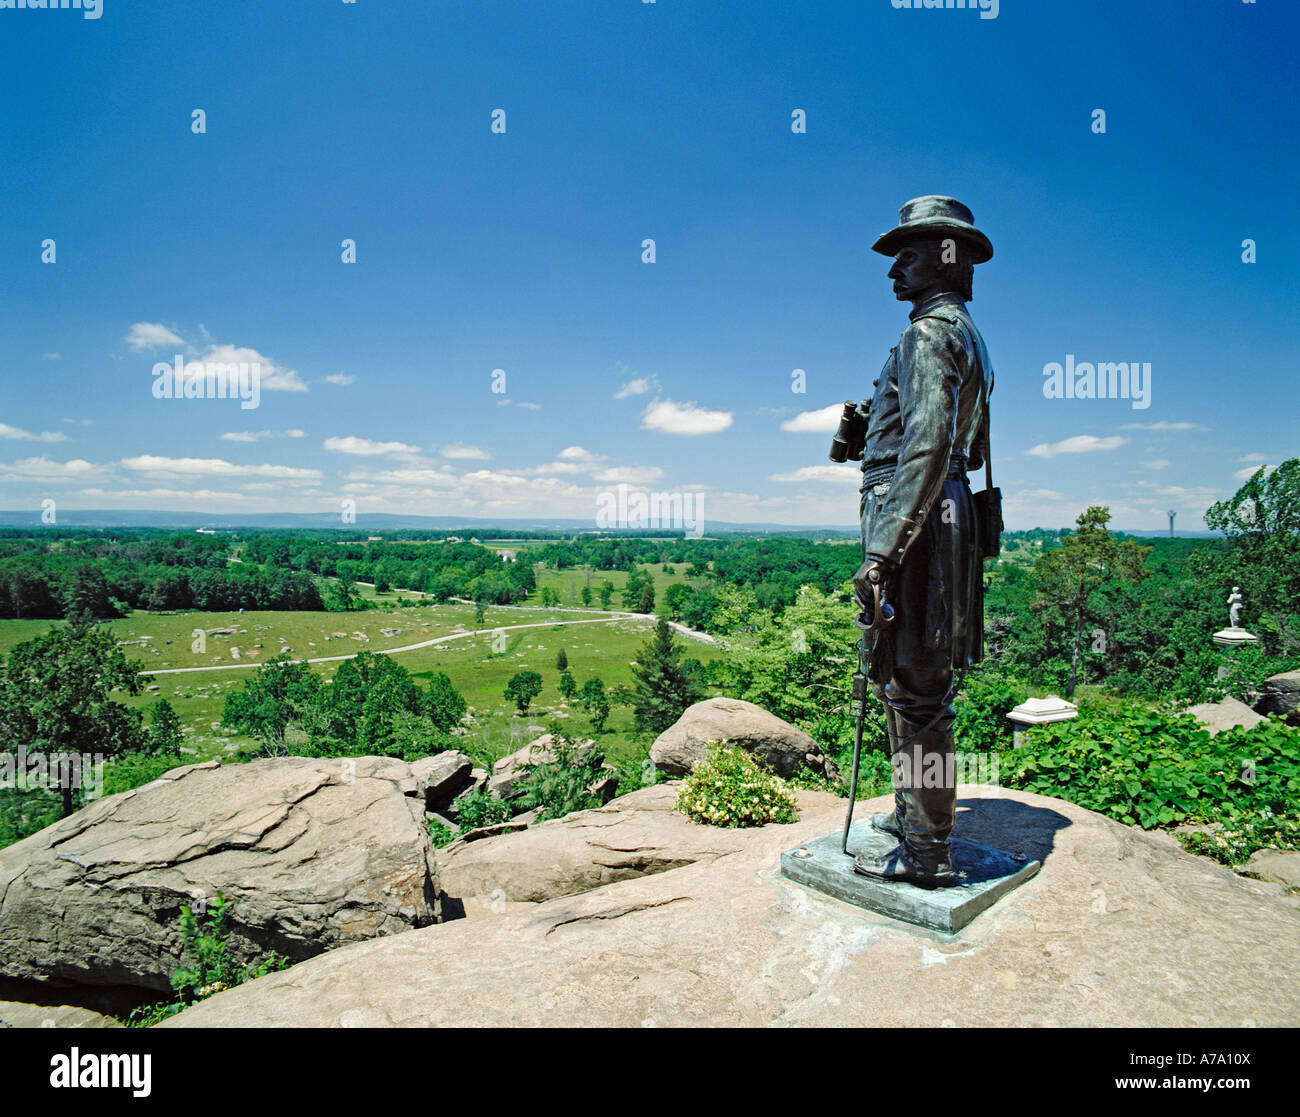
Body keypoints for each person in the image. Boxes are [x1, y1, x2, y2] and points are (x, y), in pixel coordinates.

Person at [851, 196, 995, 889]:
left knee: (916, 691)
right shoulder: (968, 333)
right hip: (941, 514)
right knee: (910, 683)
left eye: (905, 254)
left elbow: (931, 442)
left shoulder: (928, 335)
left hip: (916, 521)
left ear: (946, 254)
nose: (893, 270)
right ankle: (916, 814)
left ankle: (929, 851)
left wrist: (882, 549)